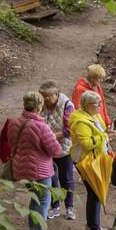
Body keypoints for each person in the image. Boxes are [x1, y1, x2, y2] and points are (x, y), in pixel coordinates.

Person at [0, 91, 64, 230]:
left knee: (34, 199)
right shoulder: (42, 127)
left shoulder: (13, 123)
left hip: (21, 167)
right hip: (40, 170)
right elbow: (55, 151)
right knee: (43, 201)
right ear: (40, 106)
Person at [68, 90, 113, 230]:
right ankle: (93, 227)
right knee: (94, 192)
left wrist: (108, 134)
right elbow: (86, 144)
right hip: (86, 161)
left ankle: (93, 225)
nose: (100, 106)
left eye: (100, 103)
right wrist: (104, 136)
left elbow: (102, 131)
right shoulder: (80, 121)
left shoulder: (95, 115)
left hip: (96, 158)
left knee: (96, 191)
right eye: (97, 104)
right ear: (87, 105)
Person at [39, 81, 76, 222]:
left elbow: (69, 130)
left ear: (56, 94)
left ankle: (69, 207)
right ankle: (55, 207)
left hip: (64, 148)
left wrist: (50, 136)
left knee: (66, 179)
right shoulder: (41, 104)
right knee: (51, 178)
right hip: (47, 149)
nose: (45, 99)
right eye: (43, 96)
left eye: (48, 96)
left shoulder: (67, 106)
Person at [71, 63, 113, 131]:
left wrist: (107, 122)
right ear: (92, 78)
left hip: (101, 124)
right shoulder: (79, 90)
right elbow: (78, 109)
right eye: (99, 78)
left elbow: (103, 104)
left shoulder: (97, 86)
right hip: (91, 126)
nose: (101, 81)